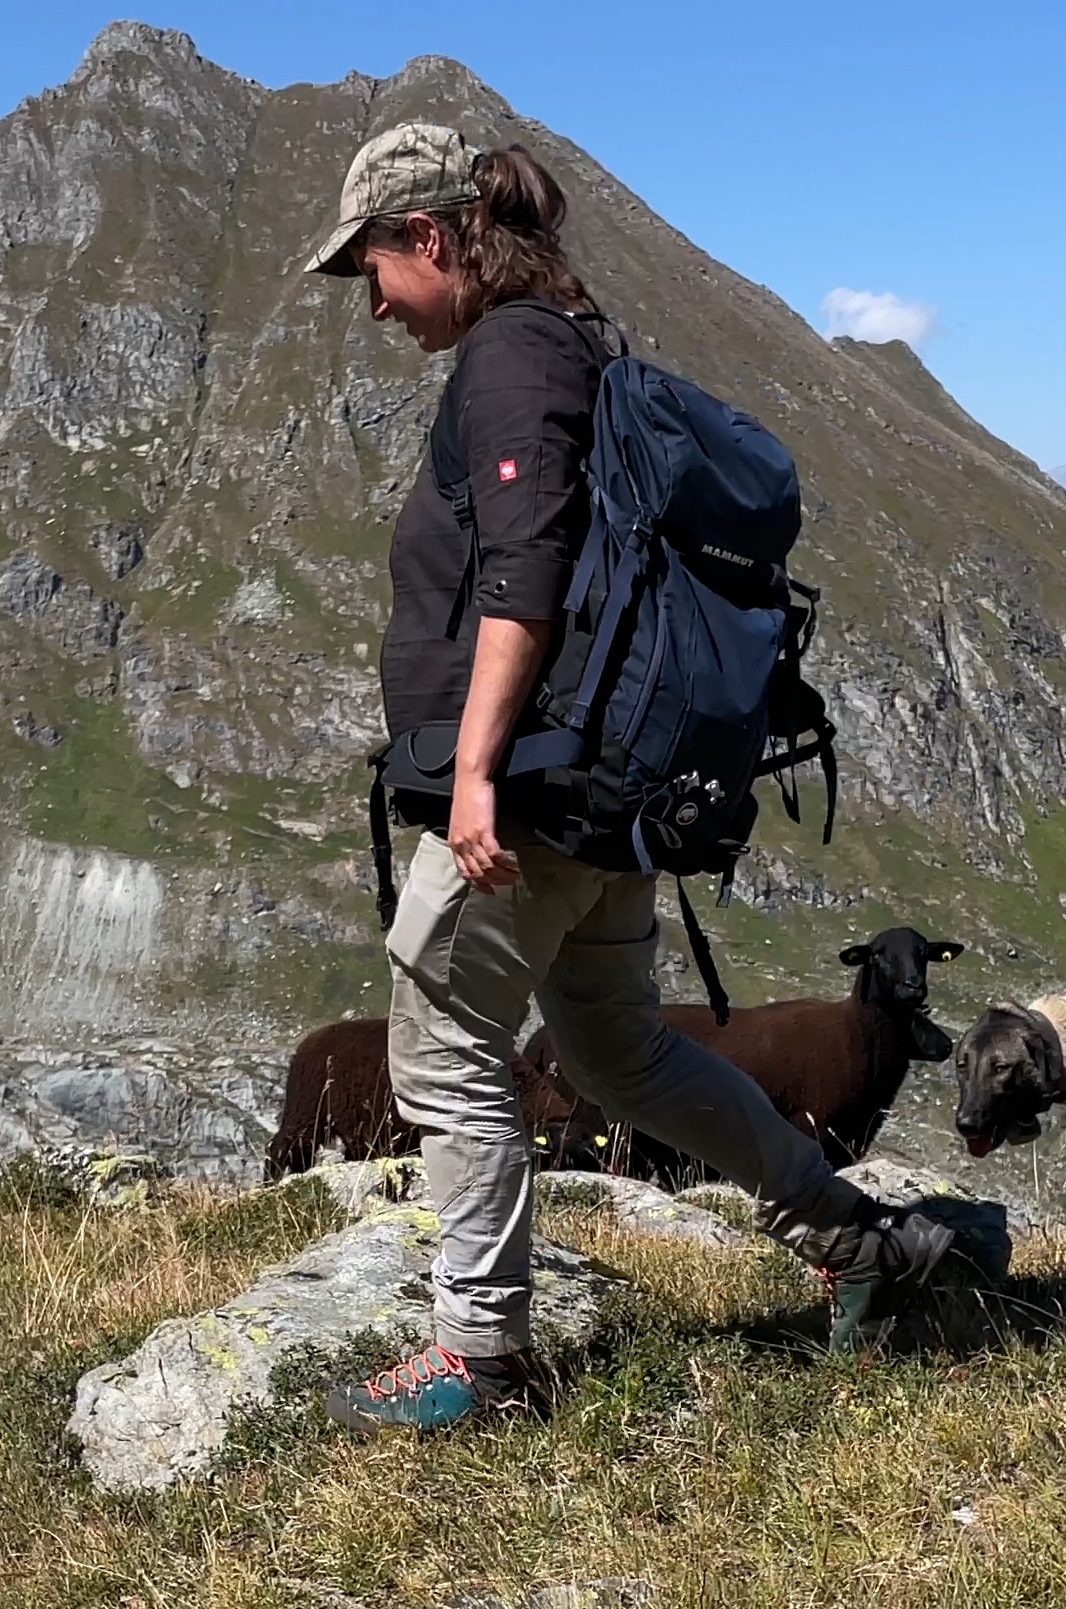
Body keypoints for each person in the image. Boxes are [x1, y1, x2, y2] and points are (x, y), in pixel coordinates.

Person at [302, 121, 965, 1434]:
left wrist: (478, 768)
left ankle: (478, 1363)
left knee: (441, 1056)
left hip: (530, 794)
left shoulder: (505, 359)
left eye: (372, 263)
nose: (370, 300)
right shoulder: (576, 342)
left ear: (430, 238)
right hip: (602, 798)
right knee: (622, 1055)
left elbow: (526, 573)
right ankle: (852, 1237)